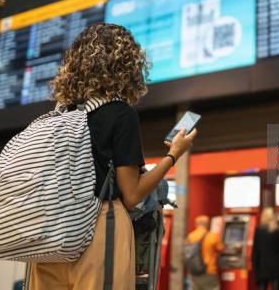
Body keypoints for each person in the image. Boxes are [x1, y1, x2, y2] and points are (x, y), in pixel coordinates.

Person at [28, 23, 197, 290]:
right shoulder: (120, 114)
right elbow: (131, 194)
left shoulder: (61, 115)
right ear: (126, 65)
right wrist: (173, 155)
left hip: (49, 234)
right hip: (97, 231)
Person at [187, 215, 224, 290]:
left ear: (196, 224)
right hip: (208, 270)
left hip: (194, 270)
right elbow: (221, 249)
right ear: (207, 224)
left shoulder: (190, 236)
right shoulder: (212, 236)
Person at [252, 207, 279, 290]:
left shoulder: (258, 230)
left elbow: (255, 251)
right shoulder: (277, 231)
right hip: (276, 267)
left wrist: (255, 267)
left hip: (262, 267)